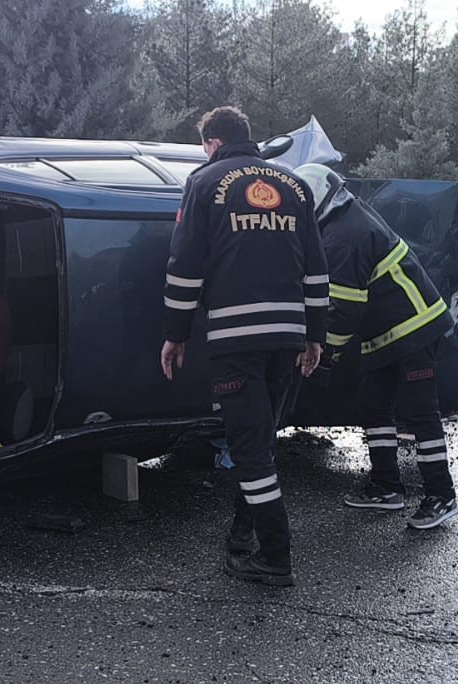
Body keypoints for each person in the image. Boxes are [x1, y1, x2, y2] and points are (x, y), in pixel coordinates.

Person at [161, 106, 329, 587]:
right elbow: (316, 269)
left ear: (211, 143)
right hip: (288, 337)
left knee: (249, 447)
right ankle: (242, 532)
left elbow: (184, 266)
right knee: (261, 440)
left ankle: (276, 557)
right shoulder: (294, 185)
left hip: (237, 339)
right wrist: (314, 333)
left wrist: (175, 333)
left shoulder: (204, 182)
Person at [295, 163, 458, 530]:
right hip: (388, 331)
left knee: (420, 413)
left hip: (413, 329)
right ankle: (386, 487)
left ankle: (441, 494)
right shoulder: (345, 215)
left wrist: (322, 356)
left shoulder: (342, 235)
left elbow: (344, 308)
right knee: (373, 404)